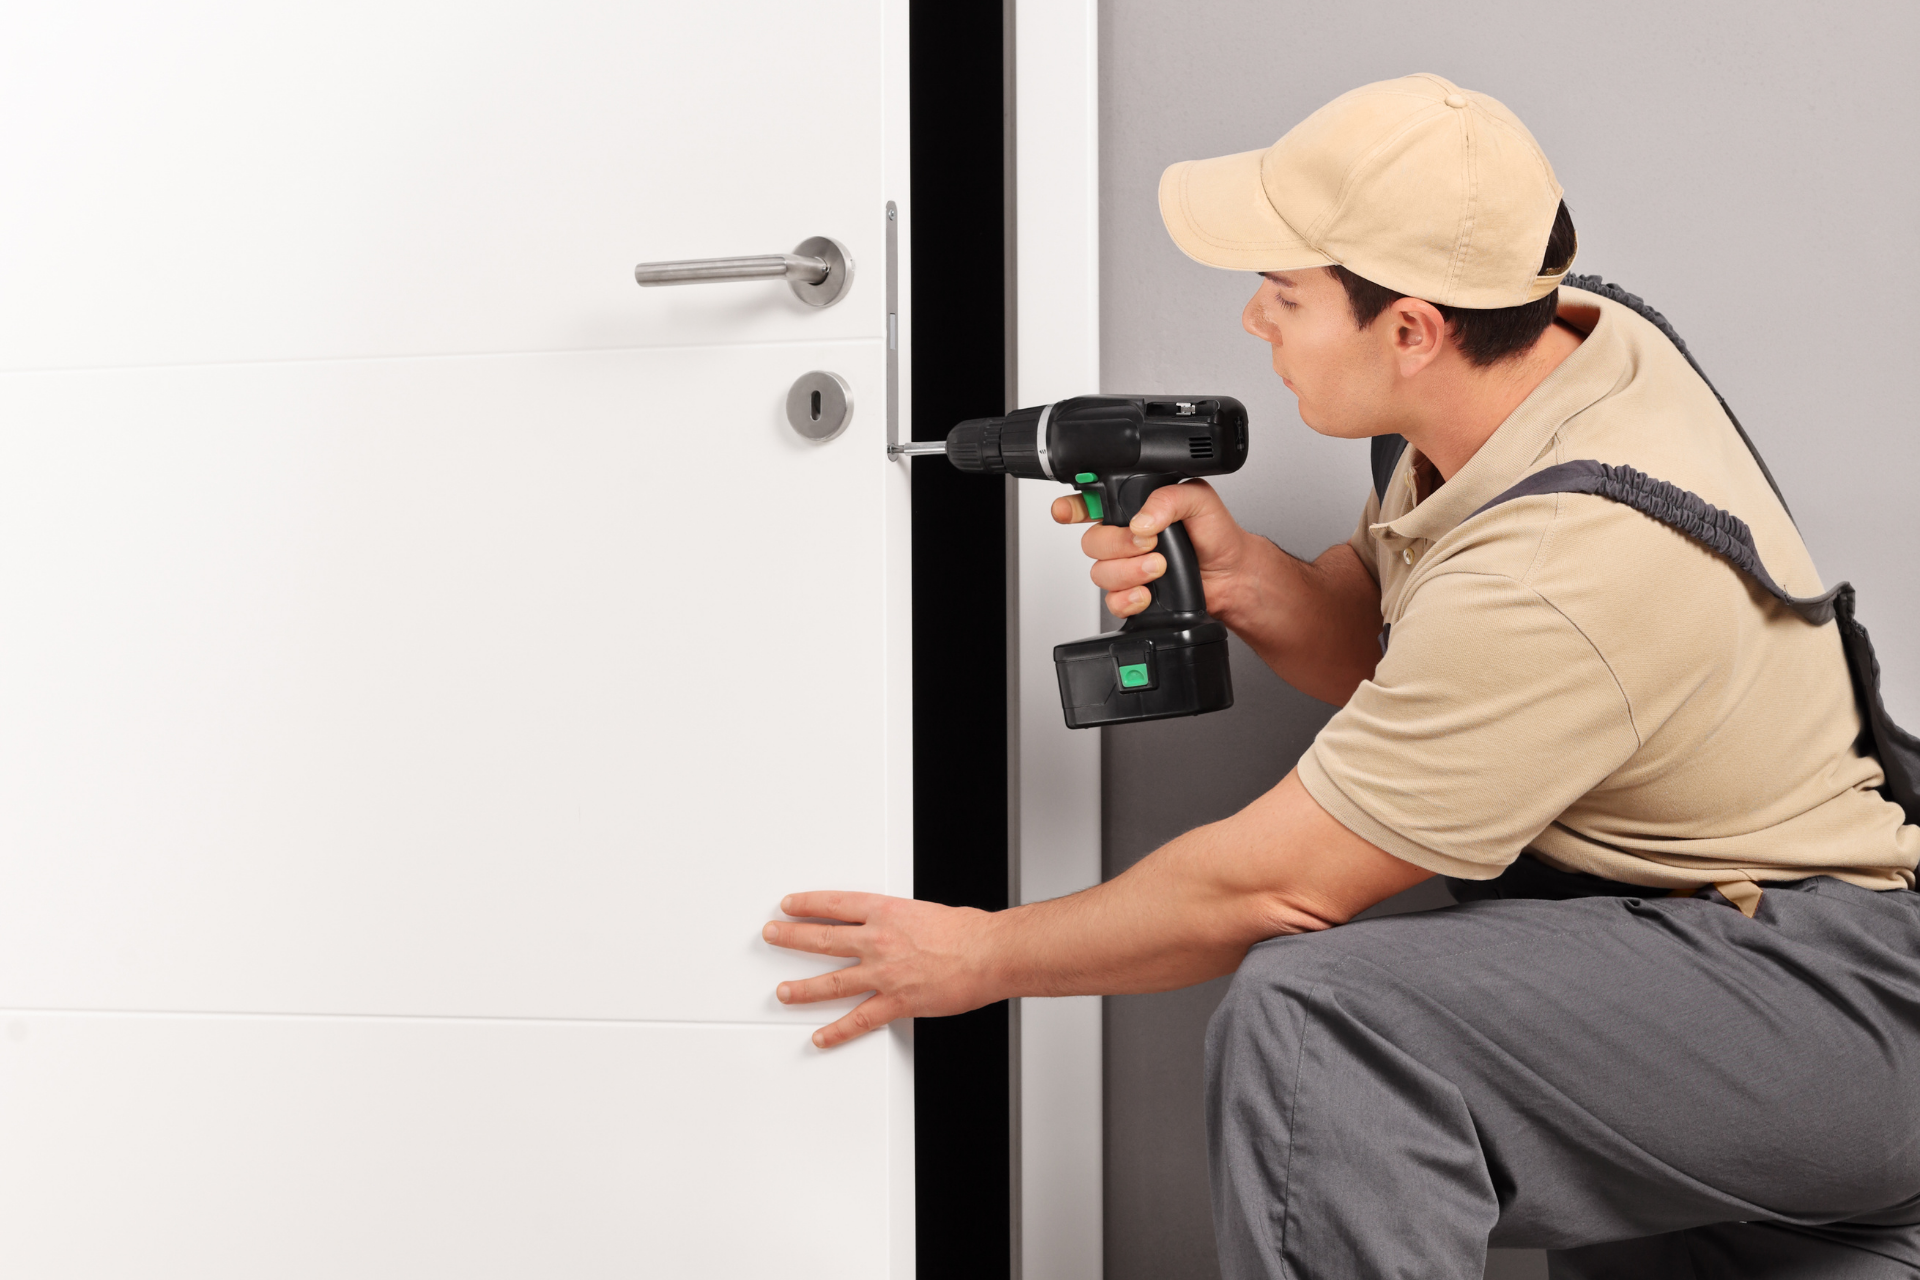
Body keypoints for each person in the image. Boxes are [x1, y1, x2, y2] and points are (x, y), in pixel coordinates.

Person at [764, 74, 1920, 1278]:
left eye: (1283, 293)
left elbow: (1271, 887)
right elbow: (1415, 651)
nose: (1253, 319)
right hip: (1692, 973)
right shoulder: (1547, 356)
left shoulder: (1561, 568)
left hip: (1815, 1001)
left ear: (1413, 329)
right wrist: (1250, 579)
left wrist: (979, 954)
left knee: (1326, 1018)